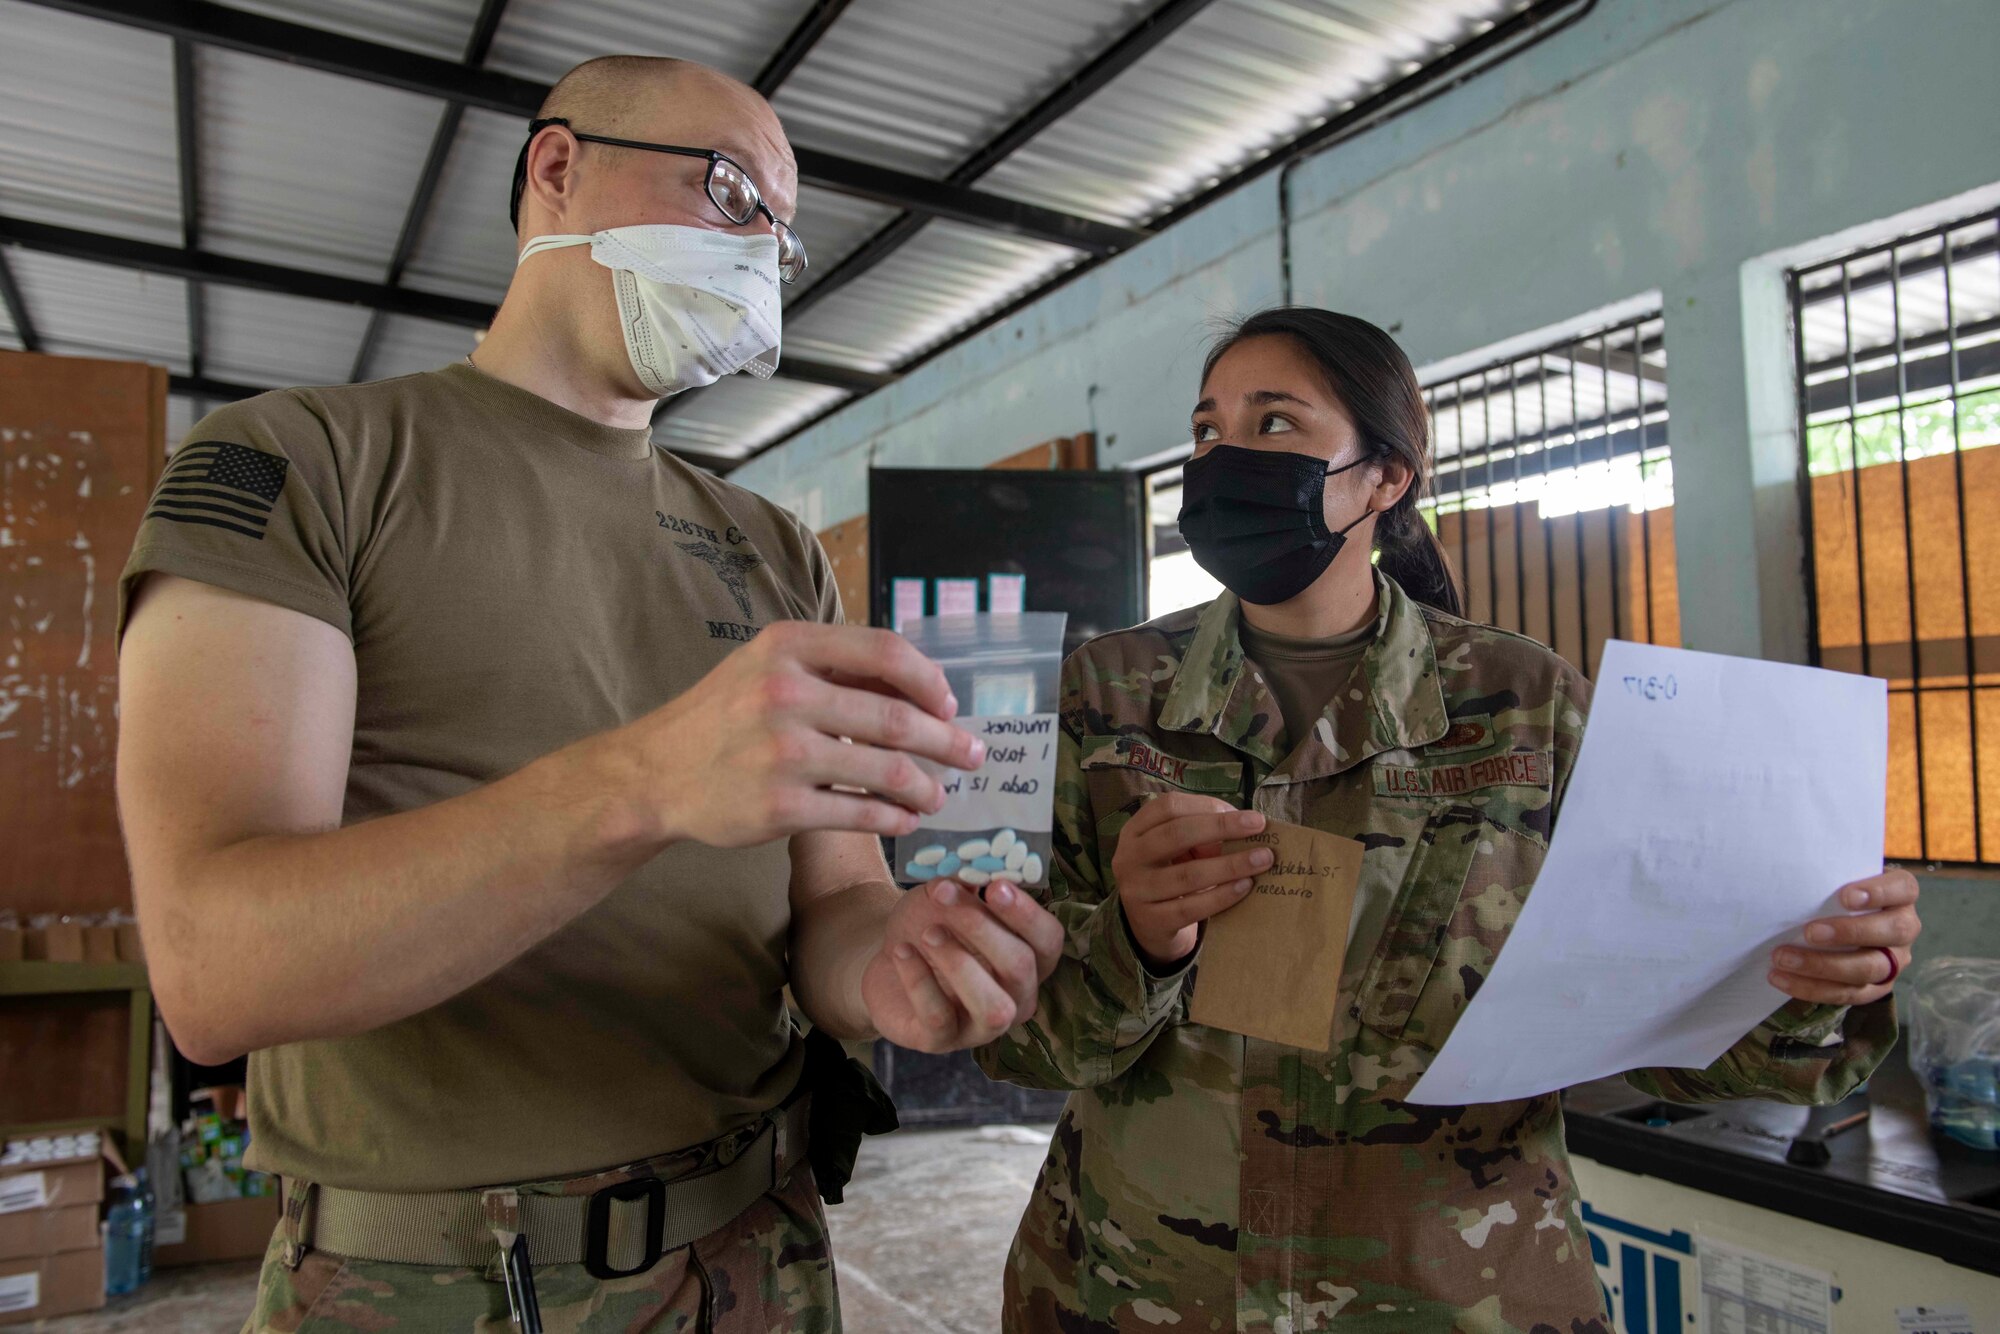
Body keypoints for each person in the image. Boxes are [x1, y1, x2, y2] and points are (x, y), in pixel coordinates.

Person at [116, 56, 1062, 1332]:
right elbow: (215, 968)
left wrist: (889, 966)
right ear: (557, 166)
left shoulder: (771, 545)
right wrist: (645, 783)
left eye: (778, 241)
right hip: (436, 1279)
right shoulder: (306, 461)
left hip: (757, 1247)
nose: (759, 252)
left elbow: (835, 899)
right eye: (731, 192)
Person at [977, 307, 1922, 1331]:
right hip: (1136, 1293)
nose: (1222, 458)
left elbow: (1661, 1035)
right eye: (1207, 431)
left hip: (1452, 1298)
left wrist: (1803, 982)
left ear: (1385, 477)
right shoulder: (1101, 697)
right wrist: (1135, 937)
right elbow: (1008, 1039)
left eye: (1274, 422)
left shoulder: (1524, 704)